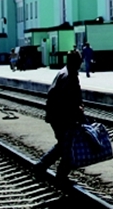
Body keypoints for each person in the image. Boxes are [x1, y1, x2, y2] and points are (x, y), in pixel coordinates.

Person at [35, 50, 84, 179]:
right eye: (79, 60)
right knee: (68, 148)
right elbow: (69, 100)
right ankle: (60, 176)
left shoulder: (63, 72)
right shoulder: (70, 76)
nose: (81, 63)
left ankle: (42, 165)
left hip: (56, 116)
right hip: (63, 117)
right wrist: (77, 112)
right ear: (76, 62)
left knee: (63, 144)